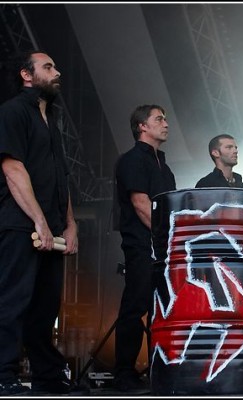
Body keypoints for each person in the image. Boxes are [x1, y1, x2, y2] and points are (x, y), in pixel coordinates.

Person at [0, 50, 79, 395]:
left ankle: (48, 377)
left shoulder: (53, 121)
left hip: (50, 226)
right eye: (48, 66)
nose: (56, 71)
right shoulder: (13, 112)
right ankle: (3, 374)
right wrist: (38, 222)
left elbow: (61, 177)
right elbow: (12, 169)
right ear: (26, 76)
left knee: (45, 307)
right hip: (20, 224)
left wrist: (69, 223)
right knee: (12, 300)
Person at [114, 104, 176, 393]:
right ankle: (124, 373)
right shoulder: (131, 160)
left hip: (163, 247)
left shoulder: (164, 166)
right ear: (142, 126)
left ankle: (158, 368)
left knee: (161, 310)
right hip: (141, 245)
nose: (165, 124)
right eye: (159, 119)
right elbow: (140, 205)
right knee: (135, 306)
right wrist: (165, 236)